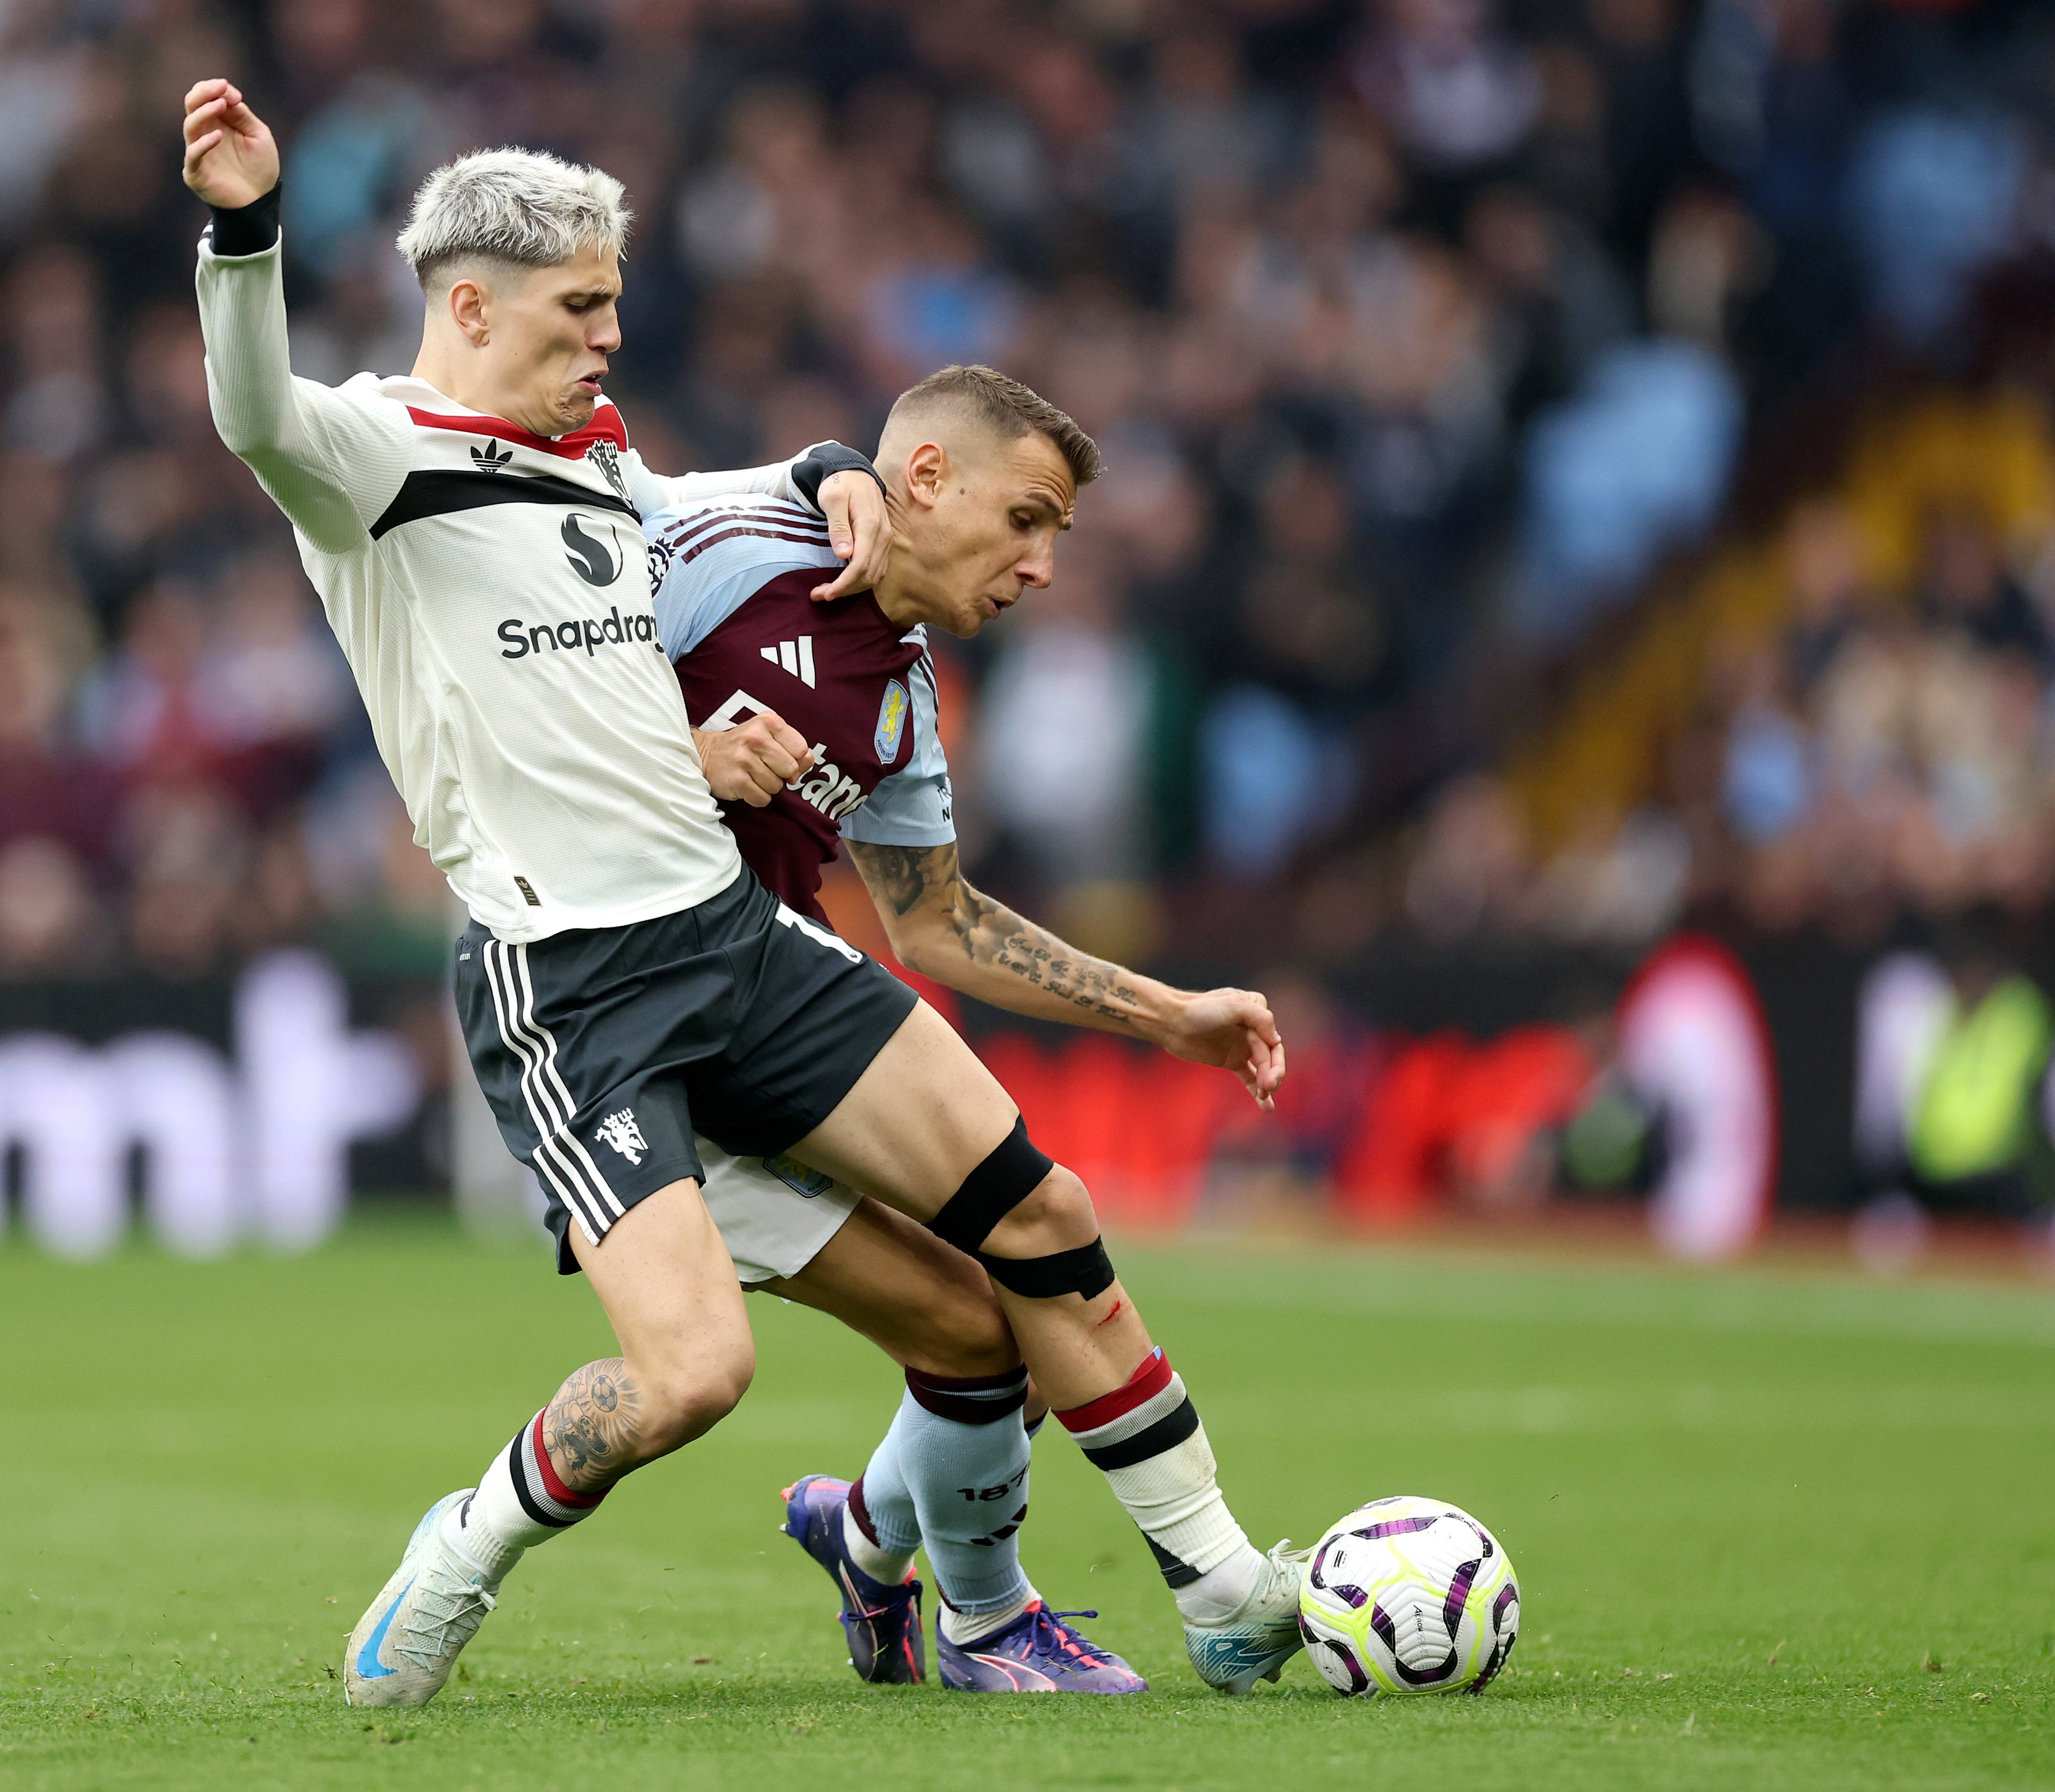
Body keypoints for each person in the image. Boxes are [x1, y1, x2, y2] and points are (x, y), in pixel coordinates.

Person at [181, 80, 1299, 1714]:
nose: (608, 341)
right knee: (696, 1371)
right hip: (572, 981)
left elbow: (757, 495)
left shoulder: (600, 463)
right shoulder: (375, 459)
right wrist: (240, 228)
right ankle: (467, 1536)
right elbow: (251, 415)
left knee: (1034, 1230)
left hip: (734, 935)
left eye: (616, 308)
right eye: (581, 310)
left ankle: (1217, 1590)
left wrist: (835, 462)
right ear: (473, 305)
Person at [657, 366, 1301, 1694]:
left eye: (1057, 533)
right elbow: (541, 678)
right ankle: (1098, 1605)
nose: (1044, 566)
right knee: (1031, 1246)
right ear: (930, 478)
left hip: (765, 1025)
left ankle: (877, 1535)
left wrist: (1166, 1012)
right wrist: (684, 746)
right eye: (1028, 518)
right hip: (642, 1051)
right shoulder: (726, 546)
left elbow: (936, 922)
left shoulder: (900, 691)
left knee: (997, 1333)